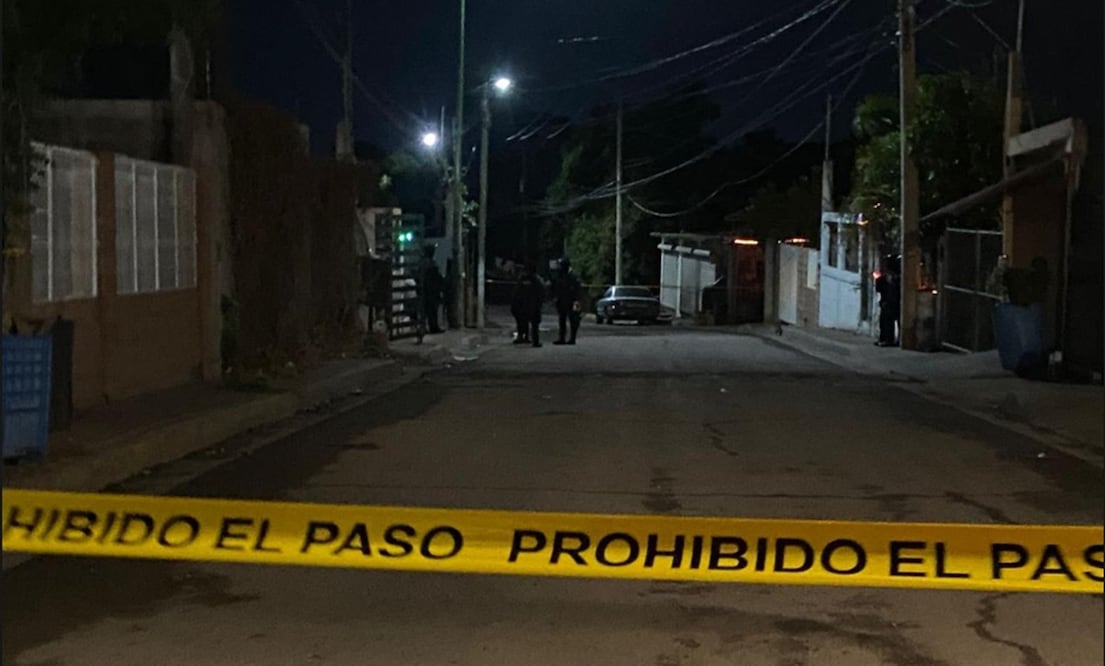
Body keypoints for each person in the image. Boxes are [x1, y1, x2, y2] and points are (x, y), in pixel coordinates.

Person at [551, 258, 582, 345]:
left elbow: (577, 289)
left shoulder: (573, 276)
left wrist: (577, 301)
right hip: (562, 300)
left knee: (573, 320)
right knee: (562, 320)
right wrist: (555, 298)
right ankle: (562, 338)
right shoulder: (560, 276)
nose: (561, 268)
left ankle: (572, 338)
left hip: (571, 301)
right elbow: (556, 288)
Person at [417, 245, 446, 334]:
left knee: (425, 311)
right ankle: (432, 327)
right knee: (431, 310)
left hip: (426, 290)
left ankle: (425, 327)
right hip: (431, 291)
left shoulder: (423, 263)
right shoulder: (430, 264)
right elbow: (435, 278)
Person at [875, 254, 901, 347]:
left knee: (888, 321)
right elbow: (879, 288)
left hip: (892, 302)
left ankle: (889, 339)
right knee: (885, 321)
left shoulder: (895, 278)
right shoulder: (886, 277)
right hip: (888, 301)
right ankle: (886, 339)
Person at [522, 263, 545, 347]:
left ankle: (525, 337)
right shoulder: (537, 280)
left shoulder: (524, 279)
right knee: (535, 324)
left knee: (525, 322)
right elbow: (541, 292)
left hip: (526, 303)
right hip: (534, 304)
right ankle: (535, 341)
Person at [510, 268, 530, 344]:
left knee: (522, 322)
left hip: (522, 305)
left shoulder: (522, 283)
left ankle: (523, 336)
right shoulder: (524, 282)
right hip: (522, 305)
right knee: (523, 322)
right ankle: (524, 336)